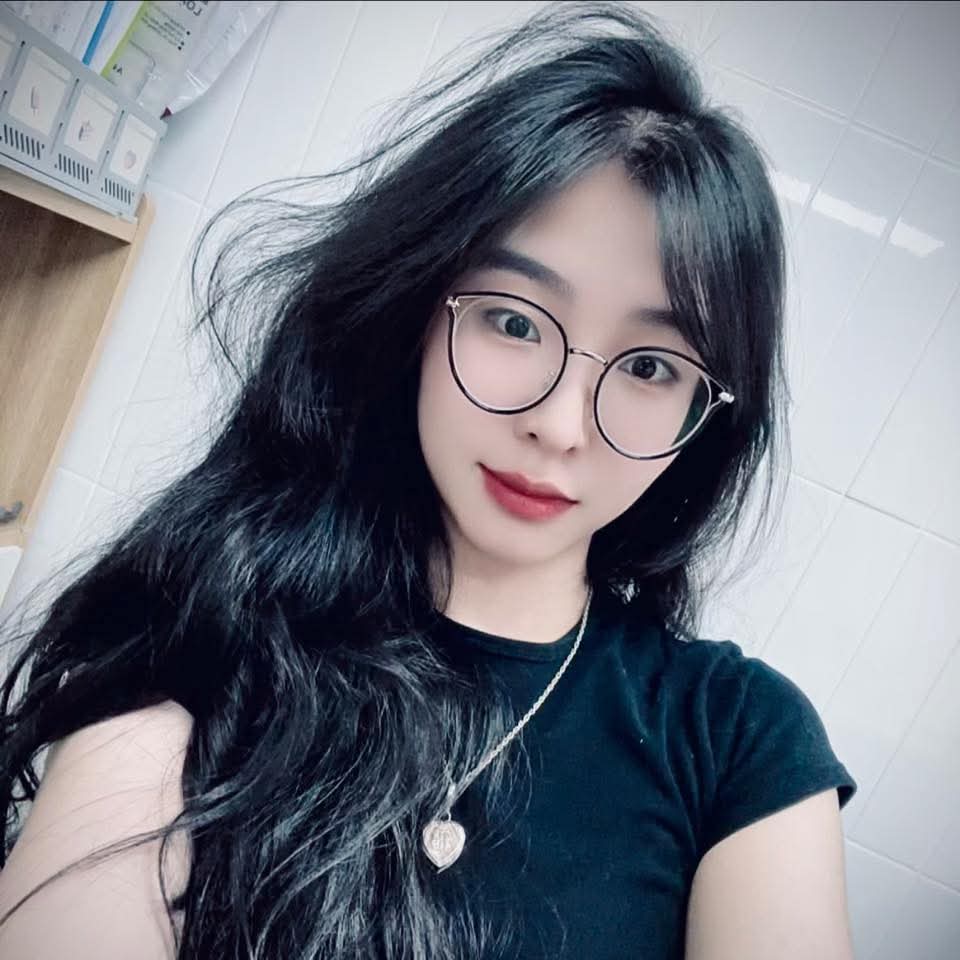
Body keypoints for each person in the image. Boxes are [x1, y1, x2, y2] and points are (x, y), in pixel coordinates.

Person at [0, 3, 858, 958]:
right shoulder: (208, 626)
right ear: (418, 306)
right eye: (515, 322)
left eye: (651, 367)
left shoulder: (738, 741)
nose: (559, 425)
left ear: (706, 416)